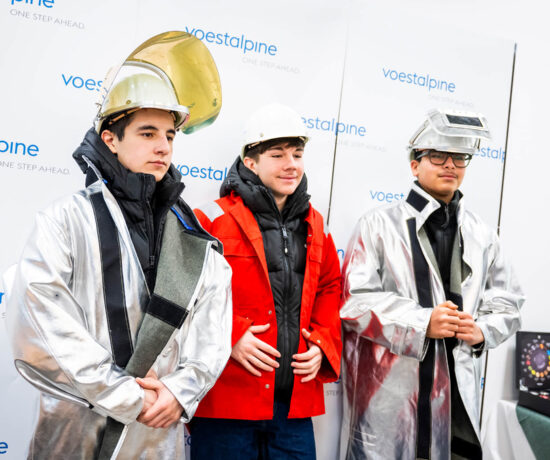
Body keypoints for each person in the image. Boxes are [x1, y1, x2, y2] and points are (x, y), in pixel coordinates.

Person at [4, 31, 232, 459]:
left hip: (157, 438)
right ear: (110, 138)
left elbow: (212, 332)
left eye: (170, 135)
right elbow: (39, 325)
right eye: (148, 133)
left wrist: (180, 393)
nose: (163, 146)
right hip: (72, 437)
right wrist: (131, 397)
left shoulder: (193, 237)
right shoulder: (65, 220)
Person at [340, 109, 525, 460]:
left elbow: (509, 301)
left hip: (456, 404)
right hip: (392, 397)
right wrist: (422, 323)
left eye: (459, 157)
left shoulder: (482, 234)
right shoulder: (377, 225)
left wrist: (482, 331)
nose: (450, 165)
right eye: (438, 155)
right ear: (415, 165)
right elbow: (354, 302)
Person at [190, 103, 342, 459]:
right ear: (250, 162)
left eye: (297, 154)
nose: (291, 164)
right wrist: (230, 336)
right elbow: (186, 293)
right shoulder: (211, 219)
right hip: (225, 402)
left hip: (293, 409)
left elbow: (330, 287)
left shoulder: (315, 224)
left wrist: (321, 345)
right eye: (277, 155)